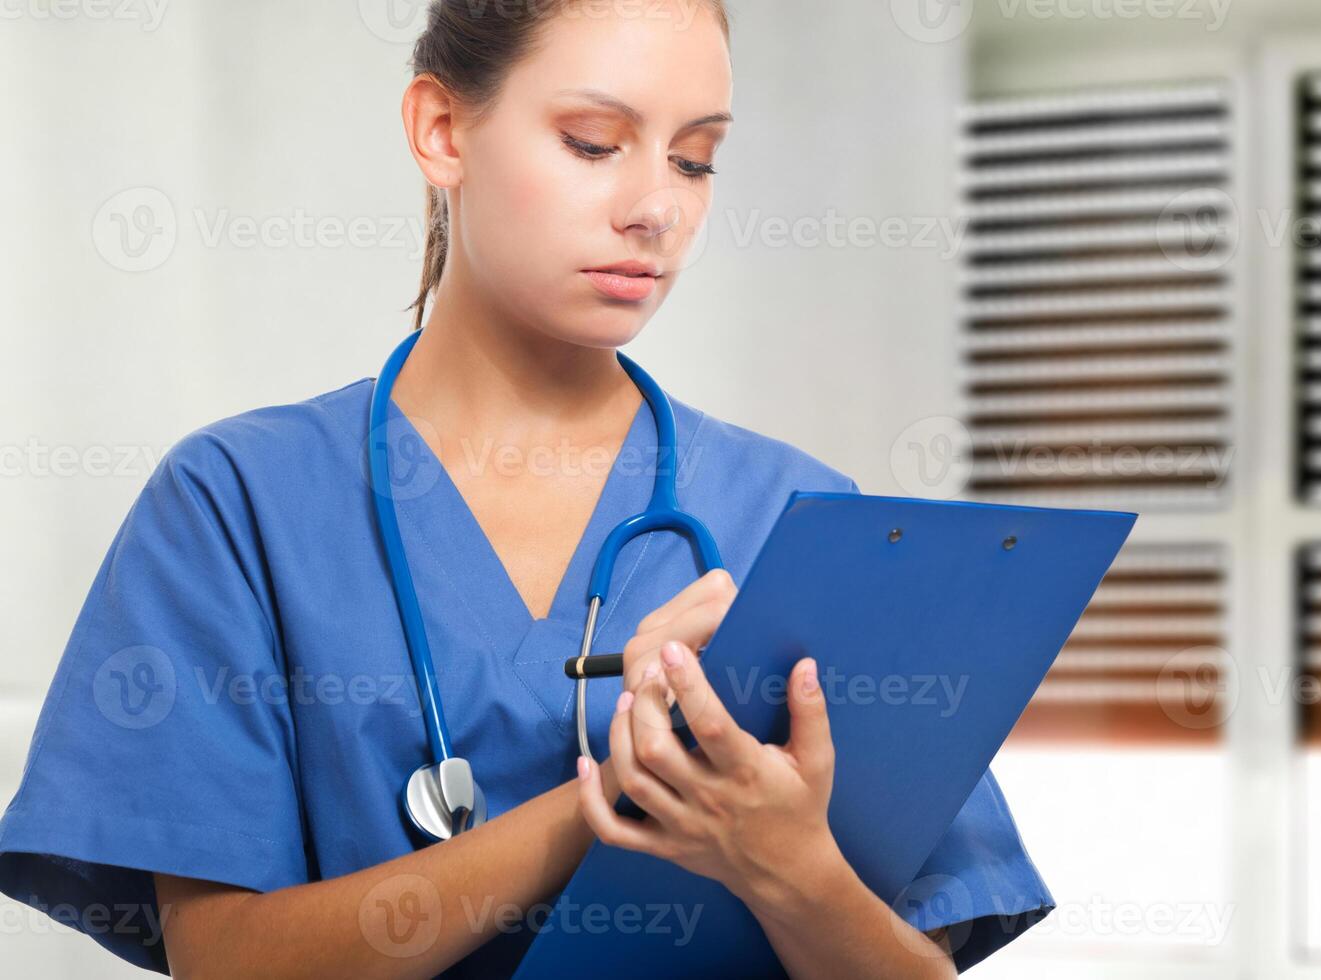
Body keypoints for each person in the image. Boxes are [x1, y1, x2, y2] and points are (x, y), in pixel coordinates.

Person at [0, 1, 1055, 976]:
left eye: (695, 160)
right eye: (593, 142)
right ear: (441, 131)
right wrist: (621, 795)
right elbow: (225, 959)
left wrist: (789, 865)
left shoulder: (805, 516)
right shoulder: (239, 503)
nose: (655, 209)